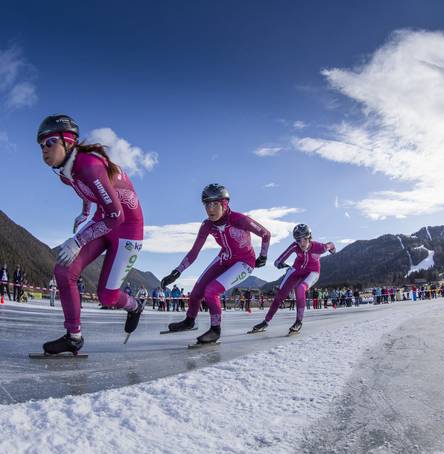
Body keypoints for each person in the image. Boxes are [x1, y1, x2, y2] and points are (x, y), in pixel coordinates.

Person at [37, 114, 144, 355]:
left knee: (107, 297)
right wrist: (84, 213)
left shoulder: (89, 165)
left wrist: (78, 240)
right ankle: (73, 336)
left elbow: (117, 215)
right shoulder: (67, 173)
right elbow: (87, 192)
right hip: (104, 219)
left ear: (68, 141)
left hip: (127, 227)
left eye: (50, 142)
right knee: (63, 270)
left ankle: (135, 306)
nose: (44, 150)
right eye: (41, 145)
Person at [161, 183, 270, 344]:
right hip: (224, 258)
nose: (210, 209)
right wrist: (176, 272)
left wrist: (263, 256)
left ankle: (215, 330)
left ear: (225, 204)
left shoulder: (239, 219)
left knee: (211, 291)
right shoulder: (207, 225)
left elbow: (266, 234)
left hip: (244, 262)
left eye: (215, 204)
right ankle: (189, 321)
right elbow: (194, 252)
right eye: (206, 204)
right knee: (197, 290)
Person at [250, 224, 335, 334]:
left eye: (304, 239)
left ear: (310, 237)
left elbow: (331, 244)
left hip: (312, 272)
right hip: (297, 270)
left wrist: (333, 250)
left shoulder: (320, 247)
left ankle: (298, 321)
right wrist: (279, 264)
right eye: (298, 240)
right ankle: (266, 321)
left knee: (299, 289)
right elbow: (278, 260)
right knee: (280, 294)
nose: (301, 243)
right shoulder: (295, 246)